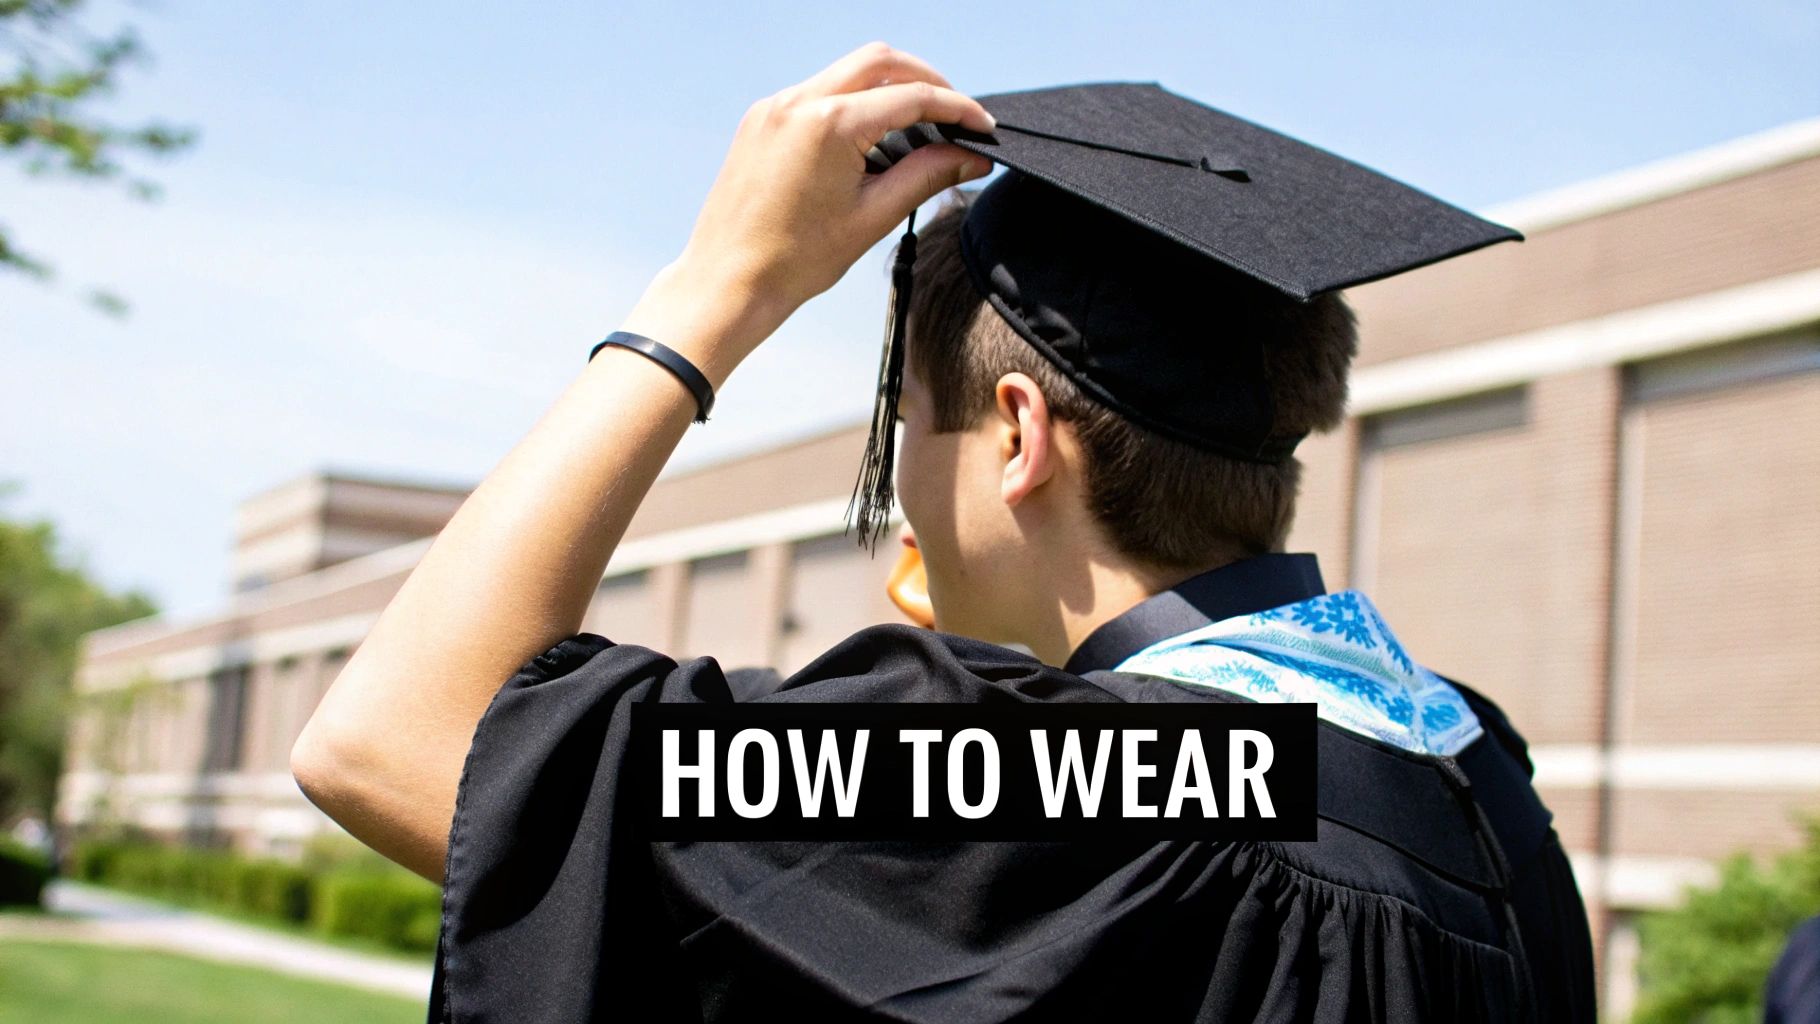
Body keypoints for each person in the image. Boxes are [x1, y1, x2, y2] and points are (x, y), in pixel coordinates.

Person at [290, 43, 1597, 1022]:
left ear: (1018, 437)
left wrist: (710, 293)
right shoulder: (1481, 782)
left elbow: (391, 739)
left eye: (913, 419)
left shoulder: (1071, 793)